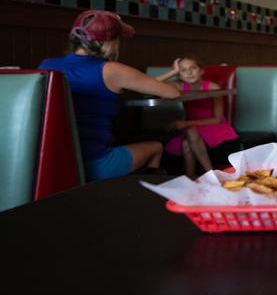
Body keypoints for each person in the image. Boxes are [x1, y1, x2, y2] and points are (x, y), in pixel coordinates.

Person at [39, 10, 181, 182]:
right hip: (96, 163)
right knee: (156, 147)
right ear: (110, 42)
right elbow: (172, 93)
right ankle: (141, 199)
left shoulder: (47, 64)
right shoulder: (112, 70)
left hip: (55, 162)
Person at [154, 56, 240, 178]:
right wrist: (173, 72)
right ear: (180, 74)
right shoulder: (179, 87)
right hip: (194, 129)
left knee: (188, 134)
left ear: (201, 70)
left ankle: (206, 175)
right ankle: (199, 177)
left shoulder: (213, 87)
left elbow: (217, 119)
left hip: (214, 126)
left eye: (193, 68)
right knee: (187, 142)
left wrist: (185, 123)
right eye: (183, 70)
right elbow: (150, 86)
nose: (189, 72)